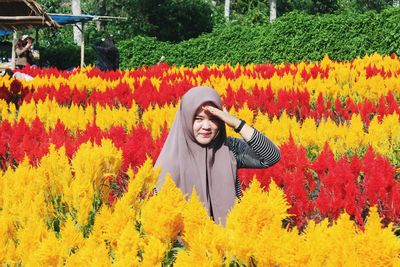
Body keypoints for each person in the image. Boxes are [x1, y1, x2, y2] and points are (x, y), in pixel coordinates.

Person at [155, 86, 281, 225]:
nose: (206, 126)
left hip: (231, 239)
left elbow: (271, 156)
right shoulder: (168, 162)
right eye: (198, 119)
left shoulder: (228, 148)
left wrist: (236, 123)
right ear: (185, 119)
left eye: (214, 119)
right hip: (187, 243)